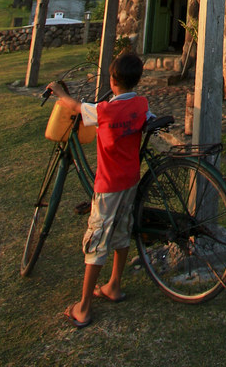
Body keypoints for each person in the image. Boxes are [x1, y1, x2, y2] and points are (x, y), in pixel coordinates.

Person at [48, 52, 150, 328]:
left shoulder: (104, 111)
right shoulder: (140, 104)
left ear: (113, 81)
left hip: (108, 185)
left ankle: (83, 307)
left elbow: (75, 106)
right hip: (130, 180)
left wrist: (59, 92)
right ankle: (114, 284)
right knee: (122, 229)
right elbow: (146, 117)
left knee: (97, 238)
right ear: (137, 80)